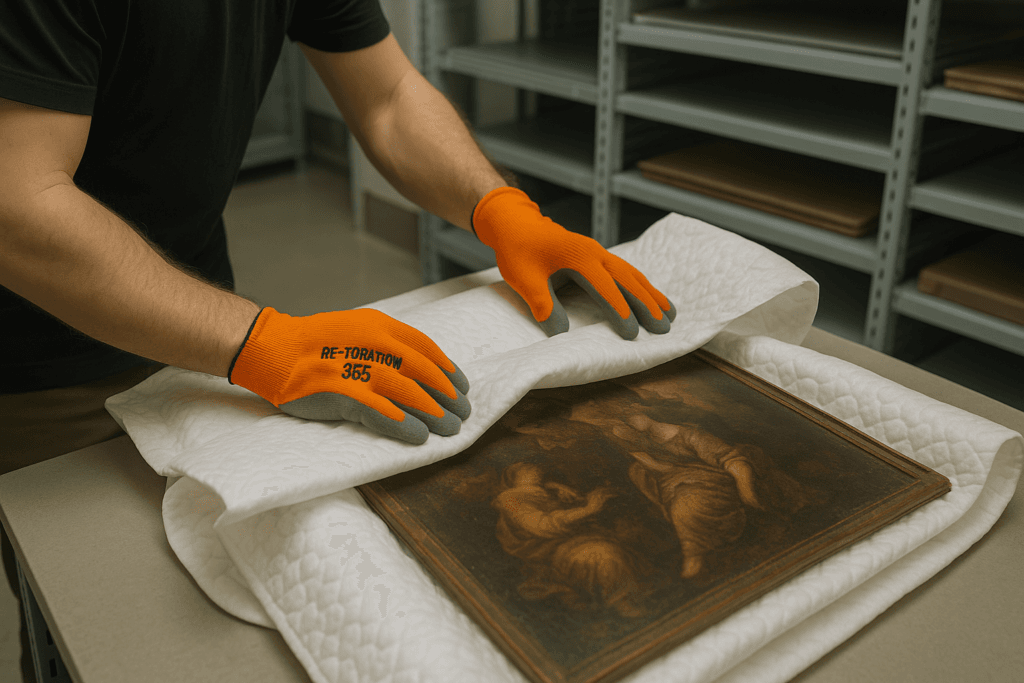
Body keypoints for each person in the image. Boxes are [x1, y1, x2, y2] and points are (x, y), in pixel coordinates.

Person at [0, 1, 677, 679]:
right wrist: (261, 343)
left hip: (198, 313)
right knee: (105, 631)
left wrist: (501, 210)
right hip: (40, 359)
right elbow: (17, 203)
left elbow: (388, 96)